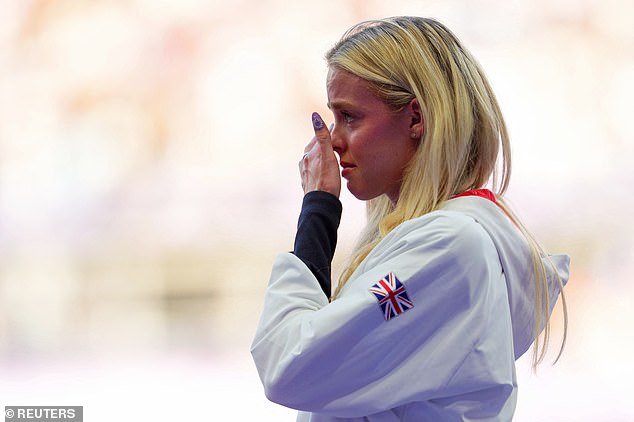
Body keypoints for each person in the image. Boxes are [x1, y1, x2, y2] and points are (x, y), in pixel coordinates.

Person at [250, 16, 569, 421]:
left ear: (416, 118)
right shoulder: (440, 237)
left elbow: (289, 367)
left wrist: (318, 208)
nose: (332, 140)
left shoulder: (449, 245)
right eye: (333, 119)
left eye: (350, 117)